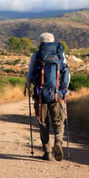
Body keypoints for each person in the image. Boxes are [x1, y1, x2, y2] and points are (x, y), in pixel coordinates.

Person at [26, 32, 70, 161]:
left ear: (41, 43)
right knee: (59, 121)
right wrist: (64, 89)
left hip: (41, 95)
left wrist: (28, 87)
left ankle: (47, 152)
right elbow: (66, 73)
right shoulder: (60, 54)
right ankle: (58, 142)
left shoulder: (37, 55)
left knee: (43, 123)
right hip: (57, 94)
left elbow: (30, 74)